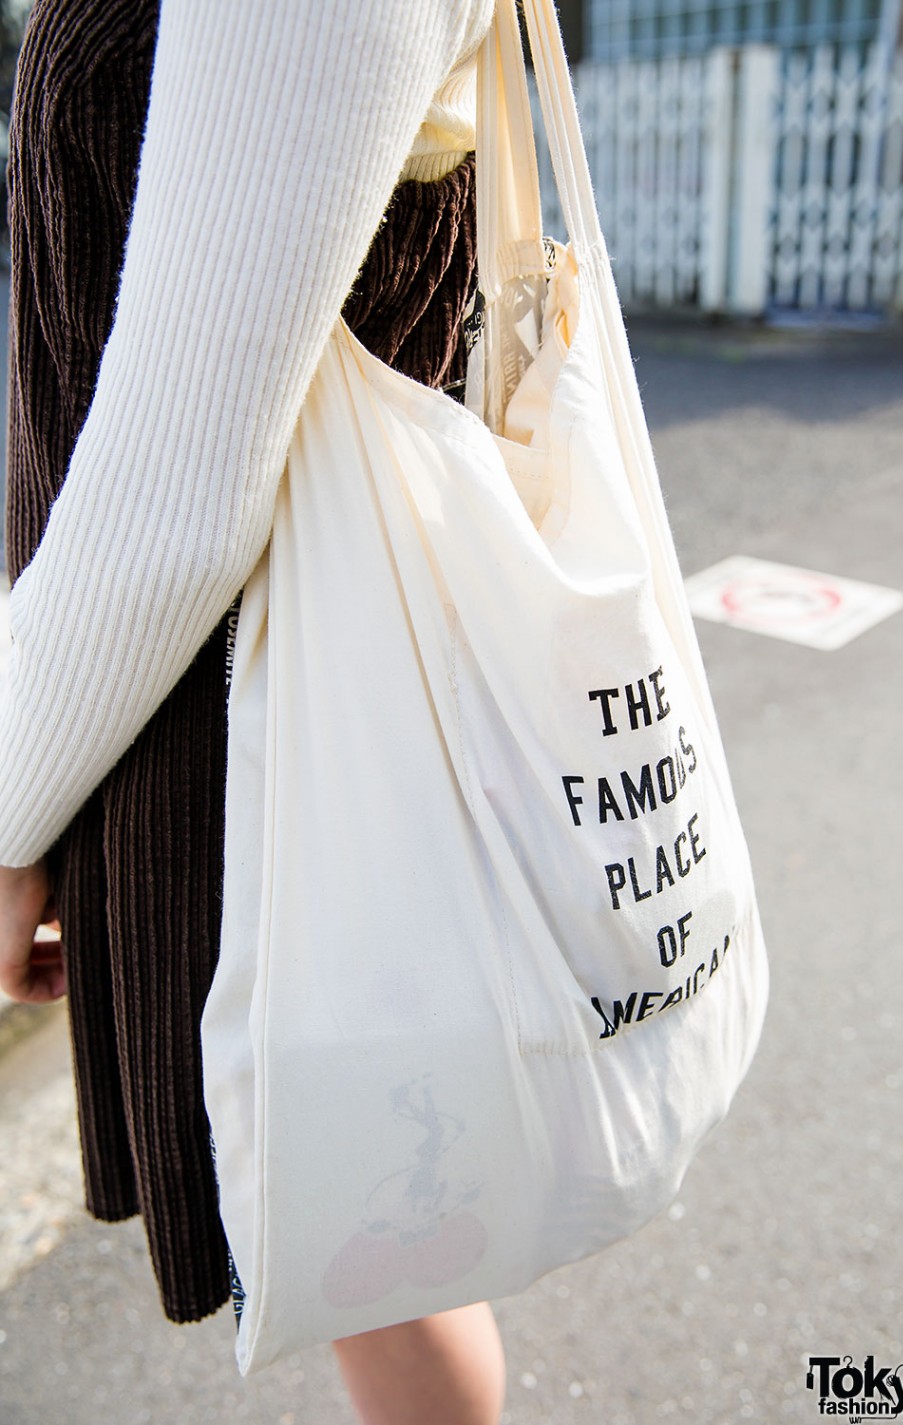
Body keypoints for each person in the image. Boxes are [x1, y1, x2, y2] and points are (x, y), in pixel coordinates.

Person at [0, 0, 508, 1419]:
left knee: (377, 1241)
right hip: (244, 706)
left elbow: (173, 495)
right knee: (375, 1231)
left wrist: (10, 809)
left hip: (259, 732)